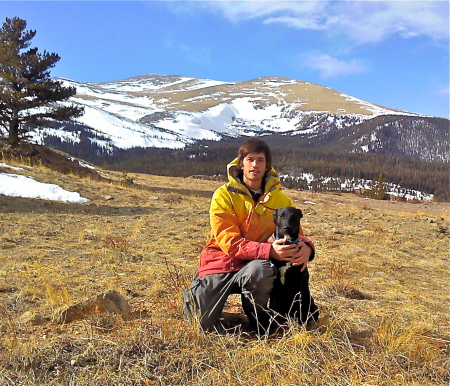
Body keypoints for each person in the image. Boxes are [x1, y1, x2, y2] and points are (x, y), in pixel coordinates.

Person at [182, 138, 318, 334]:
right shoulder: (223, 195)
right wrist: (269, 250)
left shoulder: (280, 199)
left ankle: (259, 323)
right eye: (250, 159)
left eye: (260, 160)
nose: (255, 165)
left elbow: (297, 234)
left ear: (267, 165)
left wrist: (307, 248)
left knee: (262, 270)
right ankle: (197, 296)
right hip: (220, 262)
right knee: (200, 325)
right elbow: (229, 243)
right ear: (241, 163)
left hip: (253, 263)